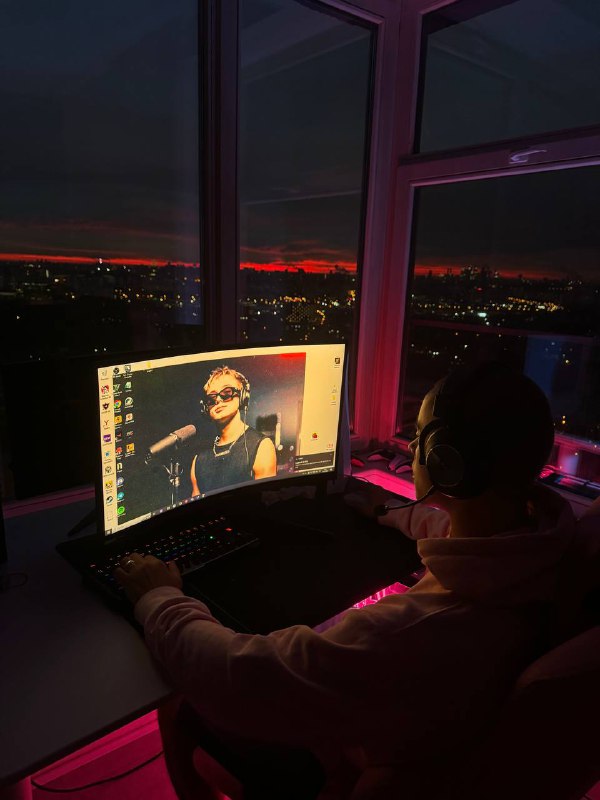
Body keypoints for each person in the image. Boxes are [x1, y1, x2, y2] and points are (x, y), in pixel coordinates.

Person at [114, 362, 598, 799]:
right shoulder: (549, 547)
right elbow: (463, 535)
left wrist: (160, 597)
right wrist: (389, 511)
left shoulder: (407, 630)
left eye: (421, 437)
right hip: (440, 731)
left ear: (446, 462)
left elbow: (239, 677)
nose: (414, 448)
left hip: (364, 765)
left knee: (174, 696)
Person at [190, 365, 276, 495]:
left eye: (226, 393)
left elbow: (265, 501)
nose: (218, 400)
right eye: (211, 398)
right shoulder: (198, 460)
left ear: (242, 397)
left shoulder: (262, 447)